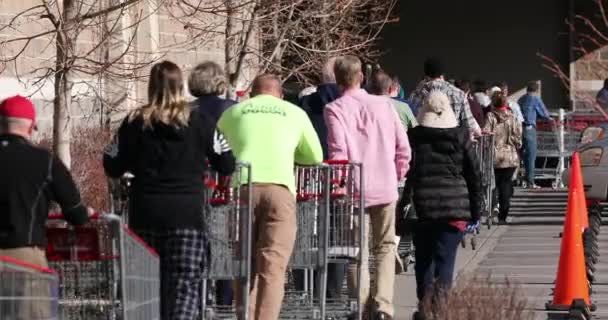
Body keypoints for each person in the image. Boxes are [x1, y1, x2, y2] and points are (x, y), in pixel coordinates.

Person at [103, 60, 236, 320]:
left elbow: (111, 162)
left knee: (147, 292)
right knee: (184, 289)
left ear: (151, 87)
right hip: (186, 217)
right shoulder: (199, 121)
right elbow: (226, 160)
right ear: (181, 86)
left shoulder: (134, 122)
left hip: (145, 215)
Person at [218, 74, 323, 320]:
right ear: (281, 94)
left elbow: (216, 151)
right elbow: (315, 156)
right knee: (273, 267)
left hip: (242, 189)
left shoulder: (234, 113)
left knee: (244, 262)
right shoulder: (294, 113)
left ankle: (244, 316)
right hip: (280, 189)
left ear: (252, 94)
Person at [324, 55, 411, 320]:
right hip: (385, 186)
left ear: (338, 81)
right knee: (385, 246)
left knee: (355, 251)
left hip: (354, 189)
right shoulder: (385, 105)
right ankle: (383, 305)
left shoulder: (335, 109)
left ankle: (359, 306)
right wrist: (397, 174)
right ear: (361, 76)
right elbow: (403, 146)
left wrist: (339, 185)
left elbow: (338, 153)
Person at [0, 95, 90, 319]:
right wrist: (84, 214)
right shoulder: (44, 161)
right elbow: (76, 213)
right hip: (25, 257)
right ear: (31, 127)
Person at [398, 91, 482, 320]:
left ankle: (425, 307)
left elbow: (410, 174)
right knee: (445, 260)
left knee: (423, 259)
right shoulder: (461, 136)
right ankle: (441, 309)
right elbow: (474, 175)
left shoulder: (414, 136)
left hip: (422, 207)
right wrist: (476, 211)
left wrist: (402, 207)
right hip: (454, 208)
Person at [296, 58, 348, 300]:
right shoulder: (349, 102)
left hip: (309, 175)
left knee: (306, 231)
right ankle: (334, 291)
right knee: (337, 235)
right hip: (340, 176)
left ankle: (304, 288)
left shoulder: (306, 103)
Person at [188, 60, 237, 306]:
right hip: (223, 183)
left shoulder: (185, 110)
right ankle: (224, 299)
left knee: (196, 242)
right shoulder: (231, 108)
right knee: (221, 241)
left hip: (194, 184)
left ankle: (198, 298)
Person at [409, 58, 482, 137]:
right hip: (452, 143)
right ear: (442, 74)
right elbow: (470, 126)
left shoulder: (415, 95)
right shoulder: (459, 94)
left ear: (426, 75)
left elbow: (411, 122)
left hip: (423, 143)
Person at [484, 92, 522, 224]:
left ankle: (493, 208)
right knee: (505, 185)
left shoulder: (490, 116)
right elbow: (518, 138)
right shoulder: (513, 117)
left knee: (493, 185)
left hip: (494, 156)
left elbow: (486, 132)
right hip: (510, 156)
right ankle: (503, 215)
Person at [518, 81, 552, 189]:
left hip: (520, 129)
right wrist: (549, 118)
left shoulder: (521, 99)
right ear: (537, 90)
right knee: (531, 156)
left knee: (520, 155)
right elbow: (544, 113)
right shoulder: (535, 99)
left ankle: (518, 178)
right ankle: (530, 181)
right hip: (529, 128)